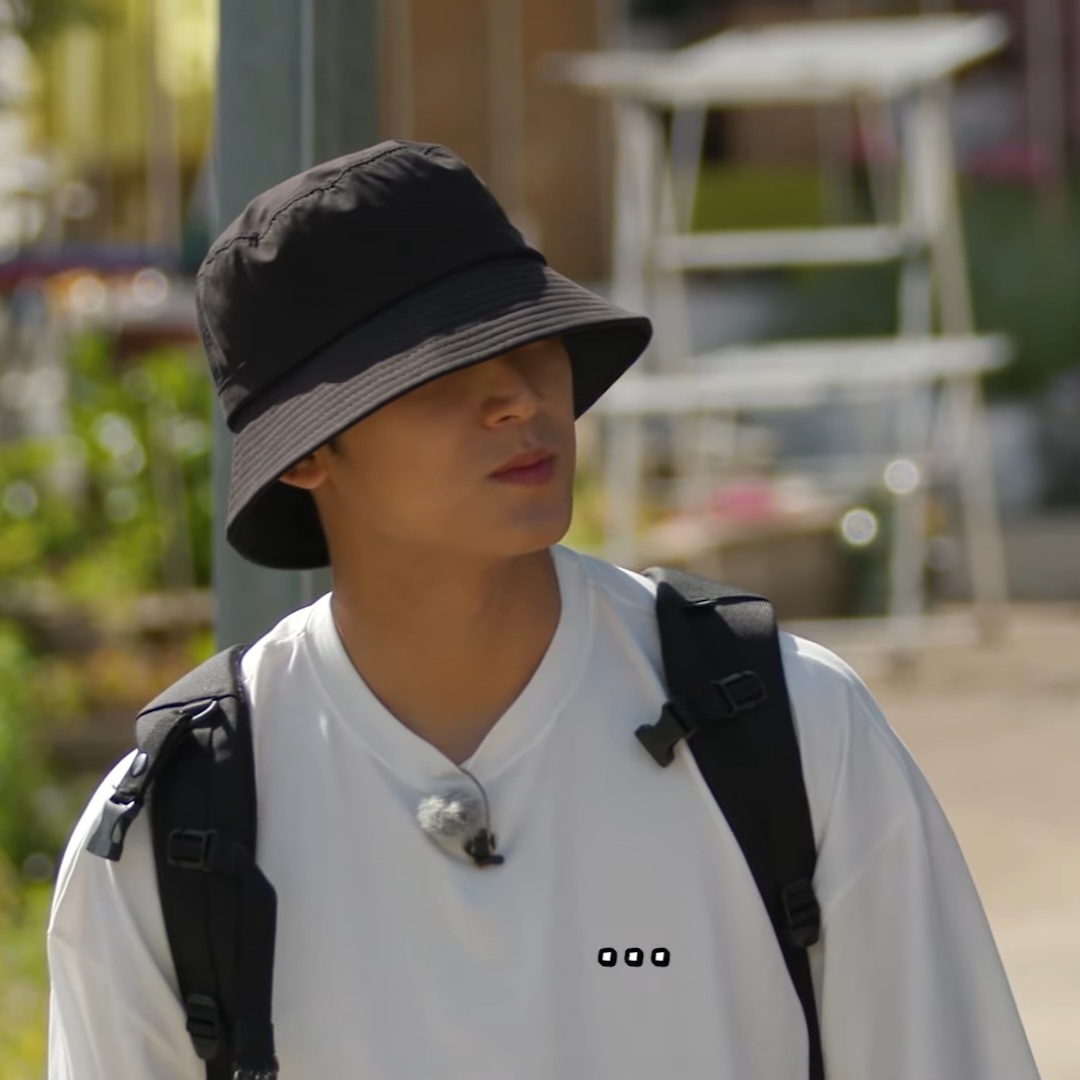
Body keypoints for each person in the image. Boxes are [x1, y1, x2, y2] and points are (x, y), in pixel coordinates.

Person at [46, 141, 1042, 1079]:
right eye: (437, 366)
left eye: (529, 334)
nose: (519, 398)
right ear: (306, 453)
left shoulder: (792, 729)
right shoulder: (172, 838)